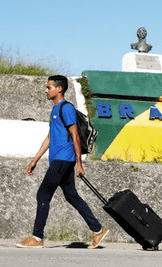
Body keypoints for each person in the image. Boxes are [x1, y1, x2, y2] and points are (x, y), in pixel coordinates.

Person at [16, 75, 108, 249]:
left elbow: (75, 136)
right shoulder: (55, 109)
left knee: (43, 194)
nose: (46, 90)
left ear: (59, 89)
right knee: (71, 195)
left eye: (49, 87)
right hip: (59, 159)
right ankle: (97, 230)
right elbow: (50, 137)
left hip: (64, 159)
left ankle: (37, 237)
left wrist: (79, 164)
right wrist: (34, 160)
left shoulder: (66, 108)